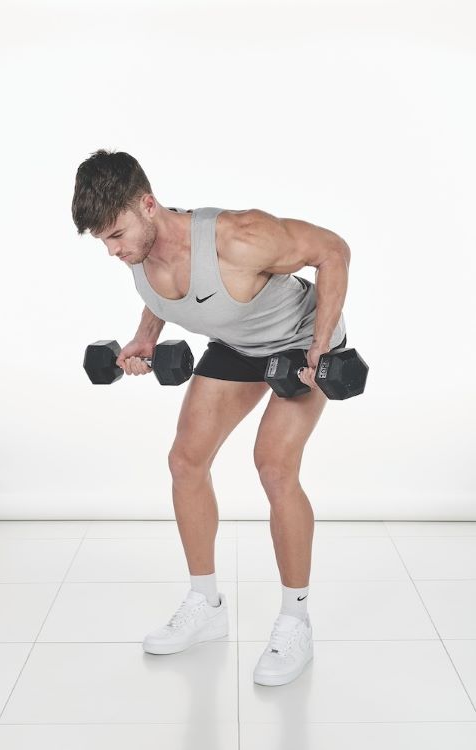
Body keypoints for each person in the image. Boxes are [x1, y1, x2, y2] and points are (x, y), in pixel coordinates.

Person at [71, 149, 350, 687]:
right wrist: (144, 339)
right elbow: (166, 290)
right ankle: (206, 603)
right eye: (102, 240)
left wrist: (320, 349)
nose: (111, 251)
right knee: (185, 461)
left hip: (299, 345)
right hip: (237, 343)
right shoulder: (141, 251)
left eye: (115, 235)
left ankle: (296, 620)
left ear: (148, 205)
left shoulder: (239, 237)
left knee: (272, 466)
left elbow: (334, 251)